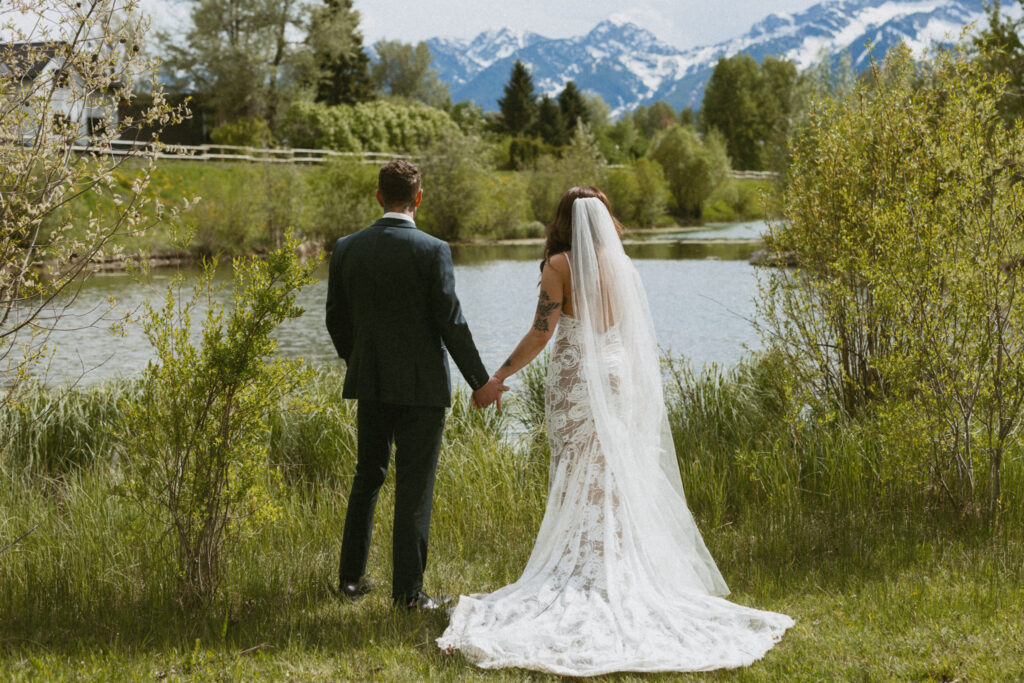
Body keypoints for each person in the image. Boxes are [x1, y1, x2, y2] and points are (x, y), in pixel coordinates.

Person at [437, 187, 793, 674]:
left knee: (574, 470)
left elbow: (542, 331)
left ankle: (583, 573)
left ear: (561, 220)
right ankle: (614, 568)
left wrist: (497, 377)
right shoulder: (623, 265)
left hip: (576, 379)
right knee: (612, 472)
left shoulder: (559, 266)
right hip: (616, 372)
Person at [325, 160, 507, 611]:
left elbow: (335, 320)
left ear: (378, 196)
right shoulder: (433, 250)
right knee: (413, 487)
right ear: (418, 197)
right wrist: (480, 383)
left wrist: (361, 361)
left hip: (370, 384)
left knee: (367, 476)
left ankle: (350, 580)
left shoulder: (347, 248)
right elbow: (451, 323)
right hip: (422, 390)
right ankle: (408, 595)